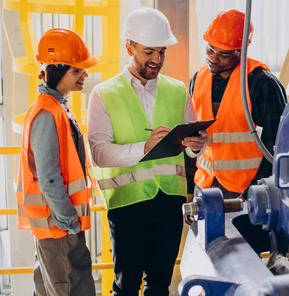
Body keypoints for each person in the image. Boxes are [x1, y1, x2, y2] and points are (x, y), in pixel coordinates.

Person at [87, 7, 206, 296]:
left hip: (169, 203)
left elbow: (189, 150)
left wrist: (195, 148)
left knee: (160, 286)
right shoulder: (103, 94)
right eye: (148, 52)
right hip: (127, 205)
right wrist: (144, 147)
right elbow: (99, 153)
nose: (157, 60)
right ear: (129, 47)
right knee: (126, 287)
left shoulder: (179, 90)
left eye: (162, 52)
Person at [16, 28, 99, 295]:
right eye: (77, 70)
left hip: (58, 227)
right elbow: (48, 176)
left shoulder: (57, 106)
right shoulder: (47, 112)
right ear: (55, 70)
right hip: (59, 228)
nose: (85, 75)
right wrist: (69, 223)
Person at [187, 9, 287, 200]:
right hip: (204, 187)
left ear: (242, 51)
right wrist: (190, 191)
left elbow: (276, 146)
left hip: (243, 192)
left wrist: (253, 194)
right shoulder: (198, 79)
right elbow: (191, 137)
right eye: (210, 49)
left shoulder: (262, 84)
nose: (213, 58)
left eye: (223, 54)